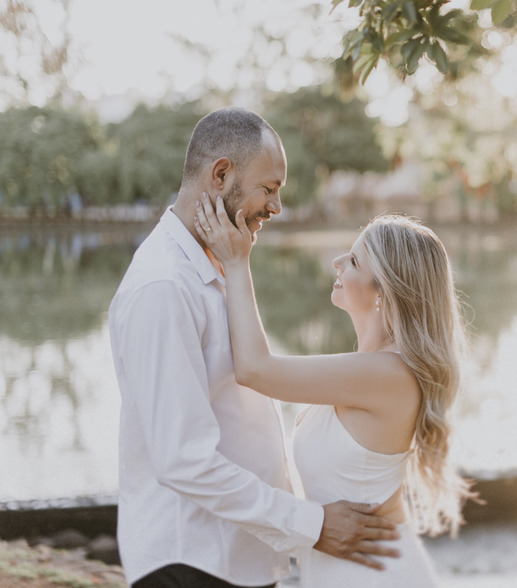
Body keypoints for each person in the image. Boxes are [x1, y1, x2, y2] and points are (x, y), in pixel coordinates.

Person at [109, 107, 400, 588]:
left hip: (234, 560)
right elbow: (183, 459)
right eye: (269, 189)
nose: (277, 207)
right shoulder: (163, 286)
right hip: (192, 562)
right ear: (221, 174)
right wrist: (313, 525)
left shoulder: (218, 266)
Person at [195, 198, 470, 587]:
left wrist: (238, 263)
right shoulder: (371, 367)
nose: (338, 262)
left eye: (355, 261)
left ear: (384, 292)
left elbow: (255, 368)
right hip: (348, 568)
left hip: (375, 574)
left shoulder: (385, 374)